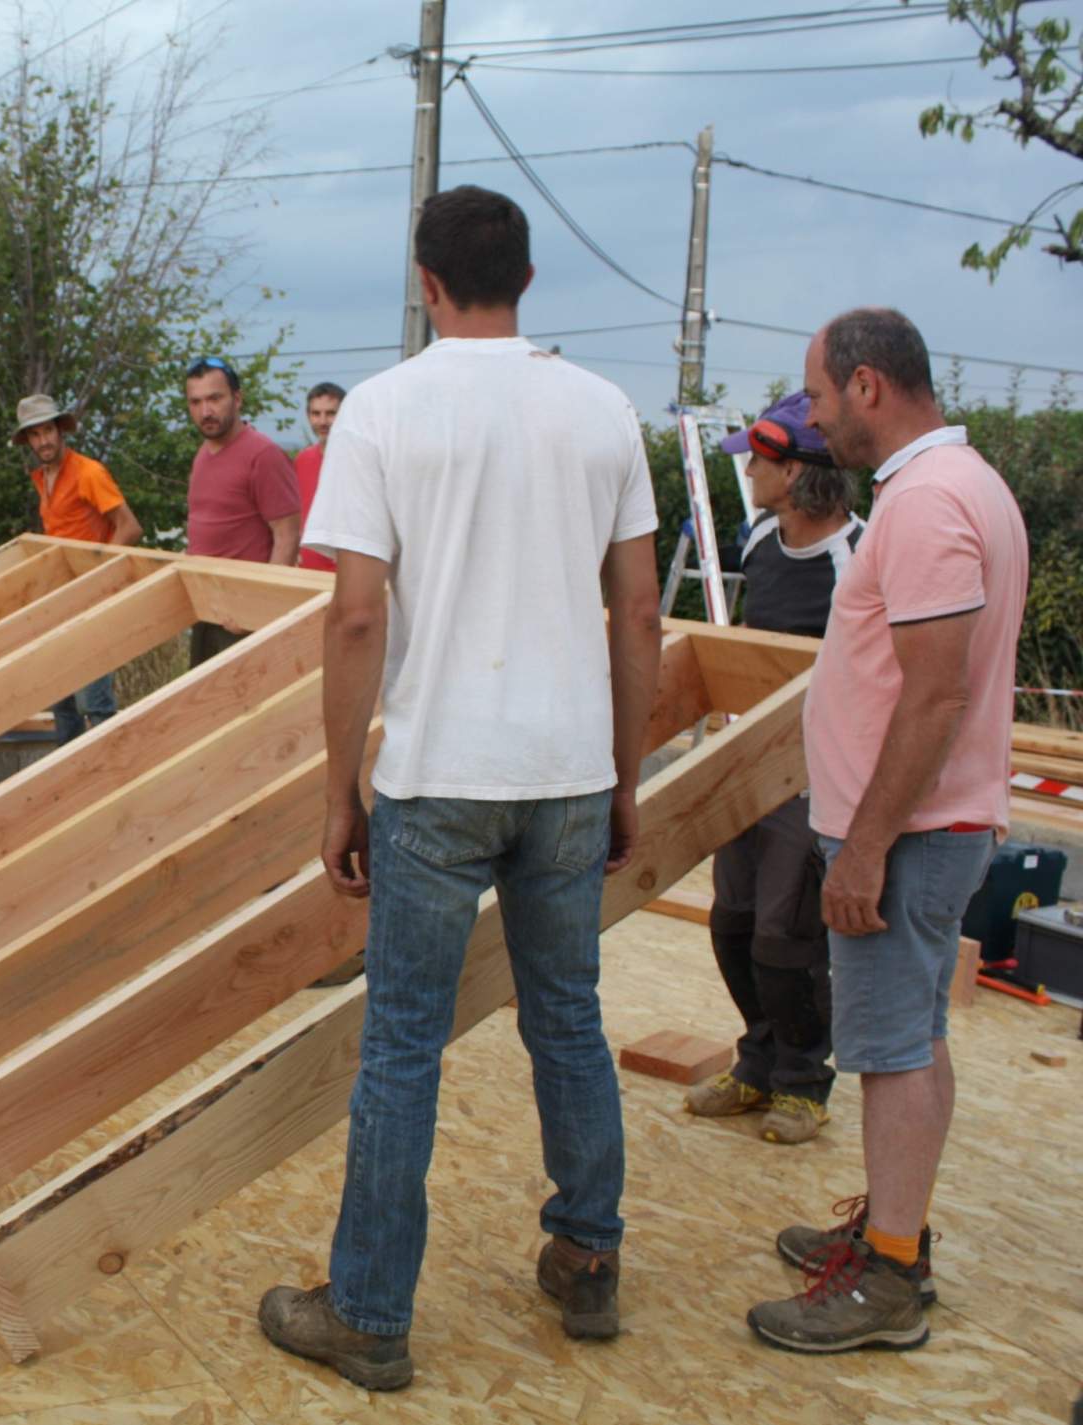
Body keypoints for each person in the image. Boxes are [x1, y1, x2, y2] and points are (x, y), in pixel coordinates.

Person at [256, 185, 662, 1391]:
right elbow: (636, 609)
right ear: (526, 280)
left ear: (424, 282)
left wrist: (342, 791)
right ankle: (587, 1256)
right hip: (566, 771)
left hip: (437, 775)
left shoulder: (381, 413)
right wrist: (622, 775)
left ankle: (371, 1315)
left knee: (400, 1050)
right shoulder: (601, 411)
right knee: (569, 1020)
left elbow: (354, 615)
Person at [748, 308, 1026, 1354]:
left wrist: (862, 845)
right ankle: (891, 1219)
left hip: (907, 831)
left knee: (891, 1051)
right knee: (915, 1036)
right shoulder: (960, 488)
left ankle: (891, 1277)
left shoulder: (924, 506)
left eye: (817, 396)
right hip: (927, 821)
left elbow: (929, 698)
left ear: (868, 386)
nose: (814, 420)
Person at [683, 391, 862, 1146]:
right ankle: (755, 1062)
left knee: (785, 932)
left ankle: (802, 1080)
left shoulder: (859, 558)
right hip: (750, 763)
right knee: (733, 922)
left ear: (795, 471)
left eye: (759, 458)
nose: (749, 470)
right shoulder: (760, 540)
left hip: (816, 773)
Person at [13, 392, 141, 742]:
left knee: (95, 702)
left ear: (61, 430)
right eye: (36, 435)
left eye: (48, 431)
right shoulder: (42, 477)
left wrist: (98, 579)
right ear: (28, 440)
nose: (44, 440)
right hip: (61, 598)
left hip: (93, 596)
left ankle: (107, 781)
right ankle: (66, 782)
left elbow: (130, 528)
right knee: (61, 699)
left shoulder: (88, 473)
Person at [182, 356, 301, 664]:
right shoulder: (202, 455)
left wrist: (261, 613)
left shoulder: (263, 455)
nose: (205, 411)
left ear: (237, 398)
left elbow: (287, 537)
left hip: (242, 621)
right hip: (206, 609)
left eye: (214, 398)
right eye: (196, 402)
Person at [294, 382, 345, 573]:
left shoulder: (357, 460)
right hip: (307, 568)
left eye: (331, 413)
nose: (322, 421)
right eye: (316, 414)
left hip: (345, 571)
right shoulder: (302, 459)